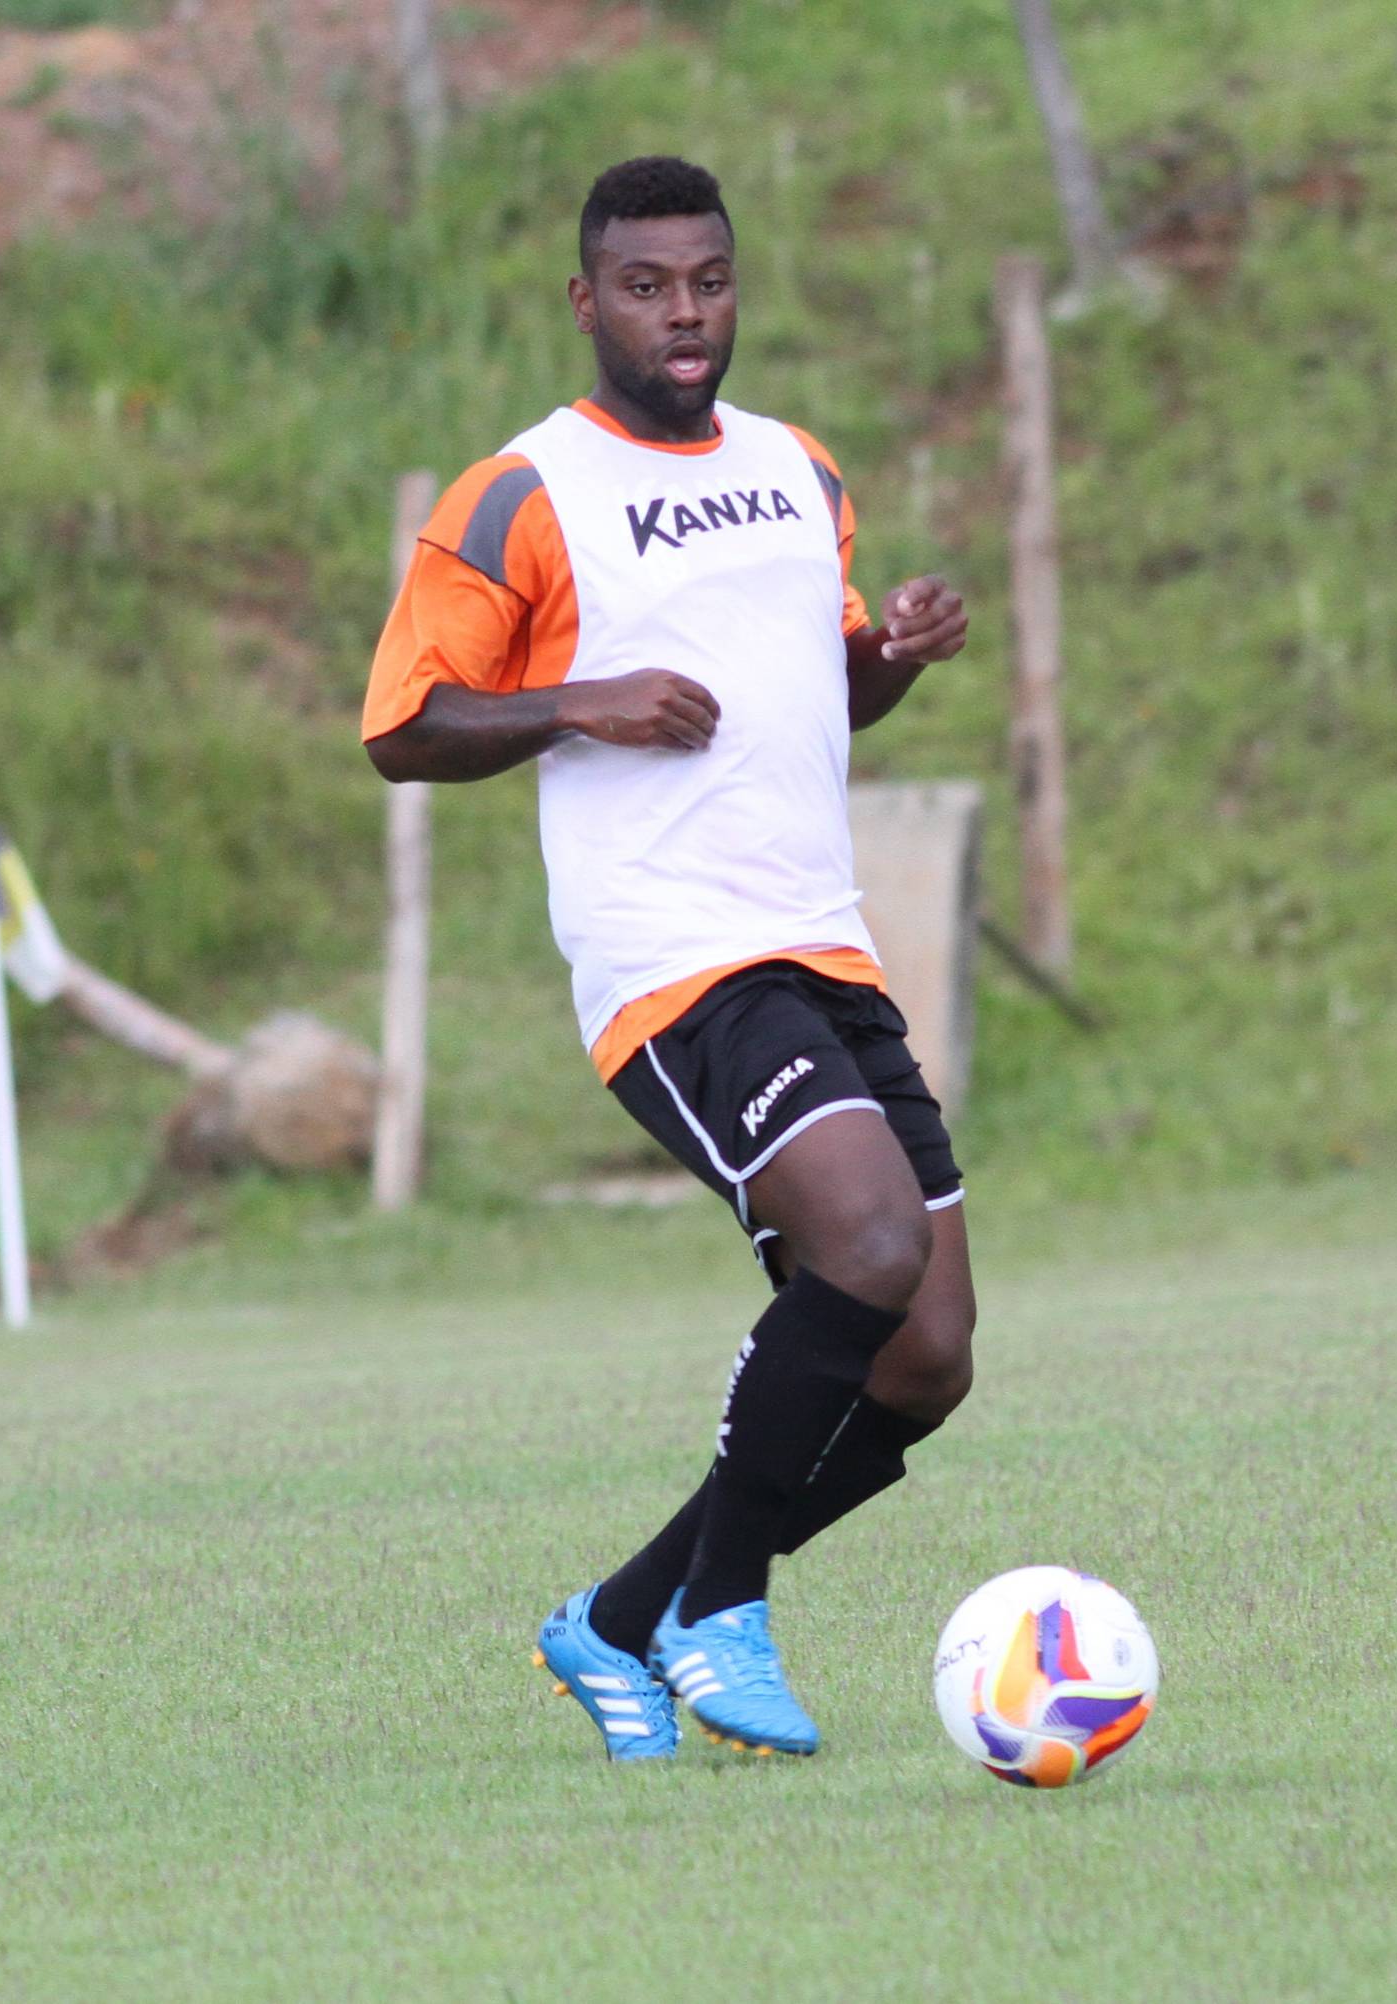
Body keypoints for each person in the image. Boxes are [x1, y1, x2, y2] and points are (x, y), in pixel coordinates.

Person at [361, 156, 974, 1762]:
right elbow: (403, 726)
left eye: (707, 280)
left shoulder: (798, 468)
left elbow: (826, 689)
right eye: (646, 287)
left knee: (928, 1357)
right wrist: (582, 699)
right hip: (676, 957)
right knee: (867, 1244)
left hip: (825, 941)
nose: (683, 313)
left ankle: (624, 1619)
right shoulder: (520, 493)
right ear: (588, 301)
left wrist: (891, 655)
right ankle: (721, 1610)